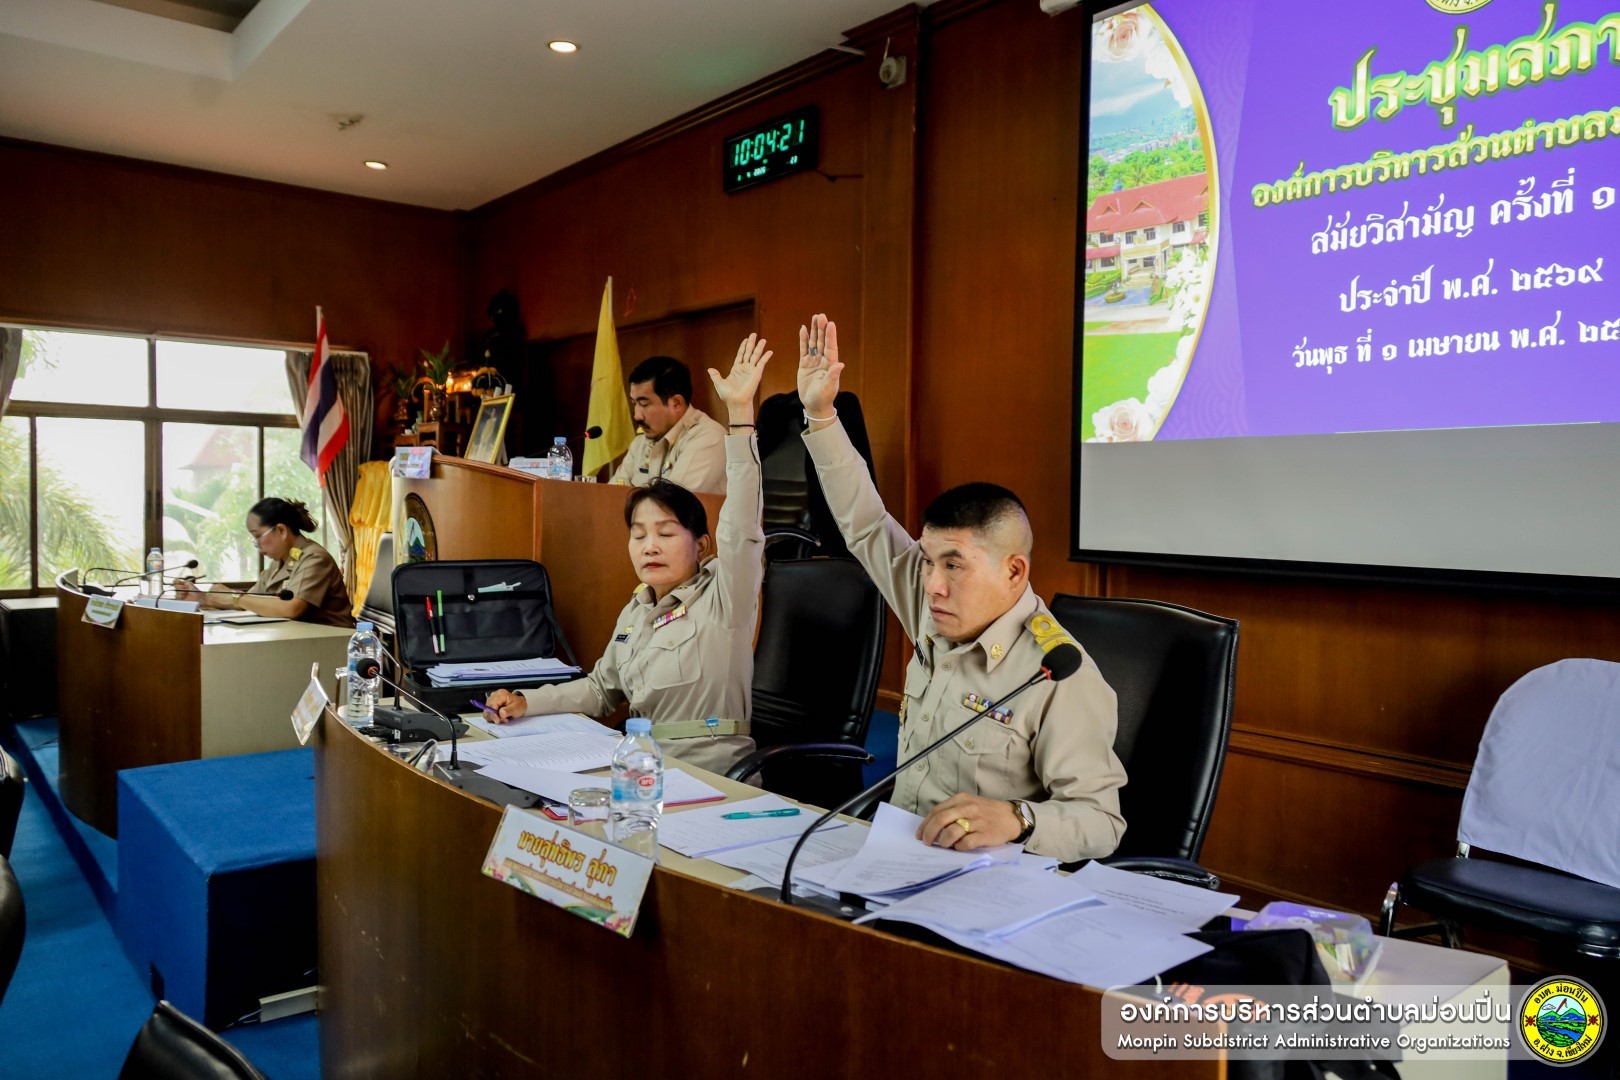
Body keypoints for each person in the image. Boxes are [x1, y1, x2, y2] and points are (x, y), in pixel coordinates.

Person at [796, 313, 1126, 863]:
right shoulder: (934, 603)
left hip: (982, 881)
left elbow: (1101, 822)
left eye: (955, 566)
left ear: (1014, 572)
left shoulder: (1058, 673)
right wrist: (821, 414)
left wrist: (1019, 818)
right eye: (928, 562)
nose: (932, 586)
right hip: (893, 857)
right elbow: (865, 522)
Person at [485, 335, 770, 774]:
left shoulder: (724, 598)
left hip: (708, 773)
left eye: (666, 533)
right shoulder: (638, 608)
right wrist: (527, 702)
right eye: (638, 535)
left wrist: (741, 416)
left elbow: (742, 525)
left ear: (702, 545)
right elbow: (601, 691)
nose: (649, 545)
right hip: (639, 766)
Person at [176, 497, 355, 627]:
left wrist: (235, 597)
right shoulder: (280, 562)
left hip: (330, 645)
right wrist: (202, 598)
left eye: (258, 537)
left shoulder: (314, 558)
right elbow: (250, 602)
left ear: (281, 530)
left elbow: (292, 608)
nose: (257, 545)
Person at [608, 355, 728, 493]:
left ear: (676, 403)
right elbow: (611, 494)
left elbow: (672, 501)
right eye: (634, 403)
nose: (637, 415)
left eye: (644, 404)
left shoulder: (708, 437)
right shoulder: (640, 443)